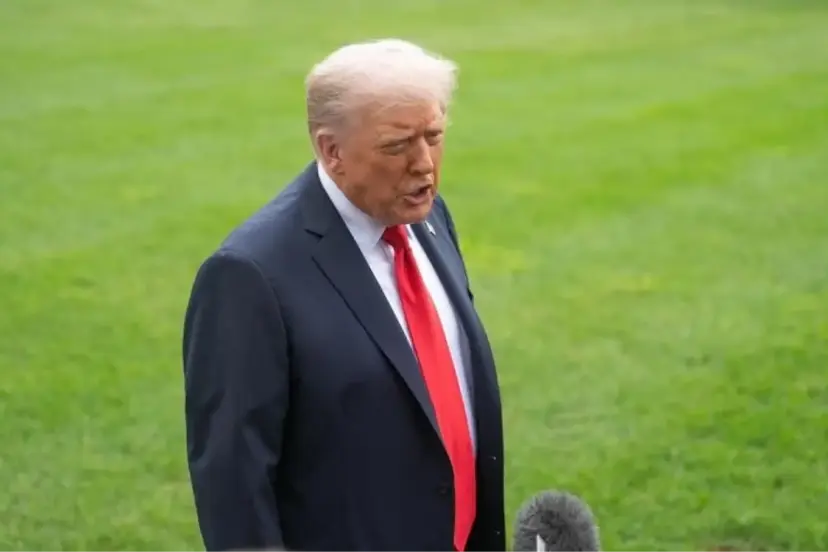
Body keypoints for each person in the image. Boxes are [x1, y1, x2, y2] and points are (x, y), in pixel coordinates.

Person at [182, 38, 505, 552]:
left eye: (434, 136)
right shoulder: (250, 275)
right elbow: (233, 487)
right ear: (331, 151)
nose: (424, 164)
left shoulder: (428, 218)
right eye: (397, 146)